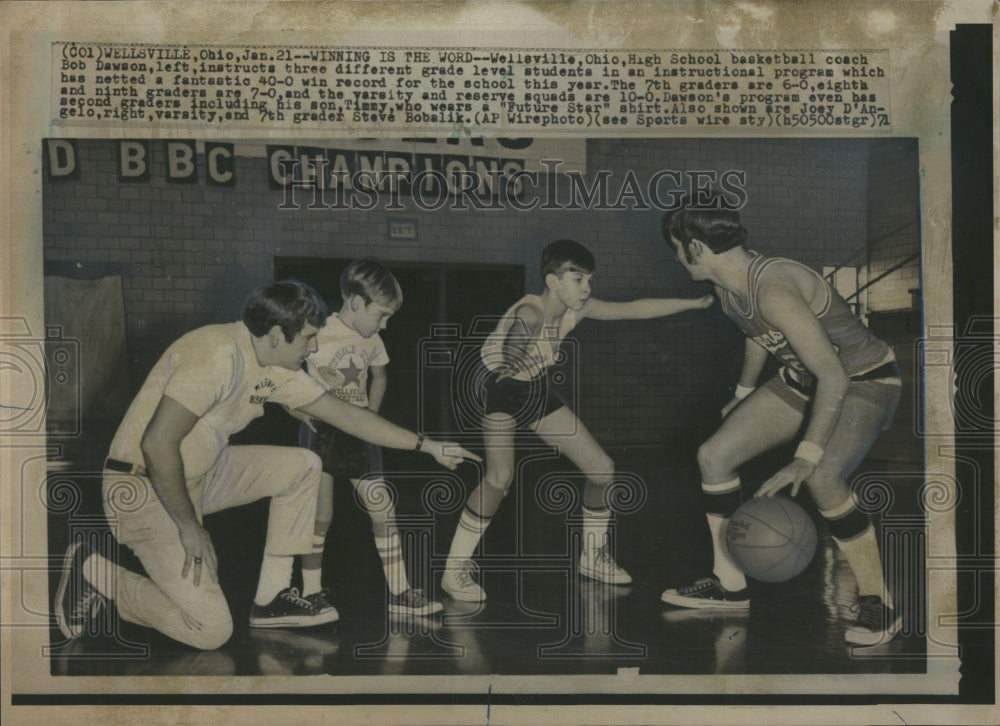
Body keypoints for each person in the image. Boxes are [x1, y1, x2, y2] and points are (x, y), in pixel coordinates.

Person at [54, 280, 478, 650]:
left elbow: (348, 416)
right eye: (309, 338)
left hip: (202, 474)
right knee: (211, 629)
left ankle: (271, 599)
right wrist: (190, 527)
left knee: (303, 465)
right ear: (277, 334)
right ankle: (95, 572)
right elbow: (157, 443)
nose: (314, 348)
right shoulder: (216, 353)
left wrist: (426, 445)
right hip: (144, 487)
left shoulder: (274, 366)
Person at [659, 204, 903, 646]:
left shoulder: (772, 286)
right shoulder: (729, 289)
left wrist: (803, 457)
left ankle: (878, 601)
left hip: (863, 378)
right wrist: (743, 394)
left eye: (677, 250)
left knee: (823, 476)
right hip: (803, 378)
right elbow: (758, 335)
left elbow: (834, 374)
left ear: (695, 247)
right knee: (714, 456)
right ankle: (729, 584)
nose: (677, 259)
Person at [440, 239, 713, 602]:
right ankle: (454, 570)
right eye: (579, 279)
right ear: (553, 281)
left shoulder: (577, 308)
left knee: (601, 469)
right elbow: (510, 354)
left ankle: (593, 557)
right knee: (500, 477)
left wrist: (692, 303)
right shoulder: (531, 313)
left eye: (590, 280)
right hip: (497, 388)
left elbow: (633, 309)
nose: (587, 288)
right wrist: (515, 355)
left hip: (533, 387)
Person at [296, 259, 443, 618]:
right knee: (320, 516)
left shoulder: (372, 339)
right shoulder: (317, 333)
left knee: (383, 510)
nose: (386, 324)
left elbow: (379, 377)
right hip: (321, 431)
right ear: (357, 303)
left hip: (359, 432)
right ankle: (311, 593)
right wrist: (301, 413)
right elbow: (289, 382)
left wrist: (370, 417)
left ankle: (400, 592)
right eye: (382, 315)